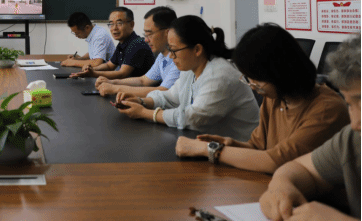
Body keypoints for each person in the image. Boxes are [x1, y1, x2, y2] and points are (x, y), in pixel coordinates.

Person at [175, 24, 349, 174]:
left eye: (257, 80)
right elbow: (257, 147)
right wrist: (230, 144)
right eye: (248, 79)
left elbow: (275, 161)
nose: (252, 86)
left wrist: (209, 150)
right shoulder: (275, 97)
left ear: (281, 72)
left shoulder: (327, 109)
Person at [260, 33, 361, 221]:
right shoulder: (353, 139)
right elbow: (300, 168)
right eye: (349, 104)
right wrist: (281, 185)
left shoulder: (326, 106)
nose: (355, 123)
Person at [116, 15, 259, 142]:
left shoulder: (219, 76)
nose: (171, 56)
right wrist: (142, 101)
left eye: (174, 50)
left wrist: (143, 113)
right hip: (209, 144)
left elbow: (192, 118)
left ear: (197, 50)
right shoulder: (191, 69)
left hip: (240, 151)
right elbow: (172, 96)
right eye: (170, 49)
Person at [96, 6, 180, 98]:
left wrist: (116, 88)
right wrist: (112, 82)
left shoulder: (179, 57)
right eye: (145, 34)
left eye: (149, 34)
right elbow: (143, 80)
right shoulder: (162, 56)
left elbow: (164, 91)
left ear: (167, 32)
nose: (146, 40)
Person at [70, 7, 154, 80]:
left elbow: (122, 74)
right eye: (111, 24)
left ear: (131, 24)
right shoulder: (122, 43)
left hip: (141, 90)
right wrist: (91, 69)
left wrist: (93, 73)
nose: (114, 28)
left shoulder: (136, 44)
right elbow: (109, 66)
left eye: (119, 23)